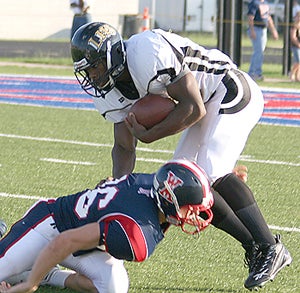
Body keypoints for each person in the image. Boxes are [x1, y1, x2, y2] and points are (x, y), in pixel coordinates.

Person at [70, 22, 292, 290]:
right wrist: (120, 189)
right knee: (181, 186)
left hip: (228, 88)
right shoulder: (110, 88)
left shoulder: (146, 52)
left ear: (112, 56)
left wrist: (151, 135)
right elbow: (124, 146)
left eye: (94, 67)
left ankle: (269, 245)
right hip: (204, 105)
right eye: (87, 71)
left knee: (211, 171)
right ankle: (255, 247)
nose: (92, 77)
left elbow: (194, 107)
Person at [0, 159, 215, 293]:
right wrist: (31, 285)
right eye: (192, 208)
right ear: (168, 200)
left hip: (84, 241)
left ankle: (48, 274)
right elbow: (64, 241)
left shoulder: (154, 187)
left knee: (114, 287)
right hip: (52, 226)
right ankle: (31, 268)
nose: (196, 214)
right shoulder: (135, 228)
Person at [247, 0, 279, 81]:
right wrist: (252, 30)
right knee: (258, 51)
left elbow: (268, 18)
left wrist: (273, 31)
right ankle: (254, 72)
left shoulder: (265, 3)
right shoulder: (254, 3)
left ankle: (256, 72)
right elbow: (250, 17)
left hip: (263, 30)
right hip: (256, 28)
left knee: (260, 51)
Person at [290, 11, 300, 81]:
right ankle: (292, 73)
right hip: (296, 46)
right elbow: (293, 37)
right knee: (298, 61)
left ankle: (297, 76)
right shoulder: (294, 26)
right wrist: (298, 44)